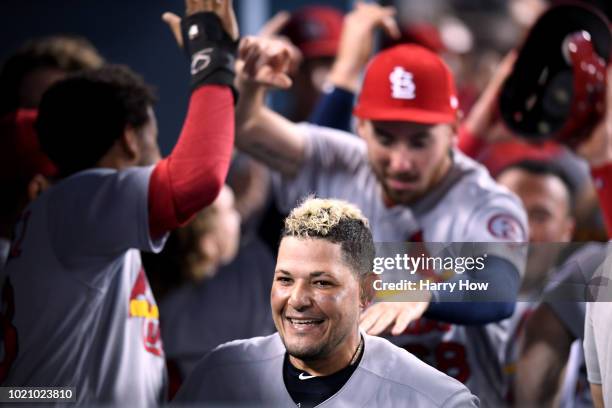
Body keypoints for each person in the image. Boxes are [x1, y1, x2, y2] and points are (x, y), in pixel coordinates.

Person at [235, 27, 527, 403]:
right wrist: (248, 87)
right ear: (360, 126)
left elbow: (500, 289)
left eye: (420, 141)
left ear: (453, 129)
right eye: (386, 139)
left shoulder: (483, 201)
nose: (402, 162)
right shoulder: (340, 159)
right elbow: (248, 129)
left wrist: (421, 294)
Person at [0, 0, 238, 405]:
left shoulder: (75, 219)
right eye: (152, 137)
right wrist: (211, 59)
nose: (157, 155)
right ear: (129, 138)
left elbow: (25, 393)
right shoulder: (79, 202)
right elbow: (199, 178)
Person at [174, 197, 479, 407]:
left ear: (366, 292)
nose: (297, 299)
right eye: (285, 279)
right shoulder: (221, 372)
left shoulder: (434, 399)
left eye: (322, 283)